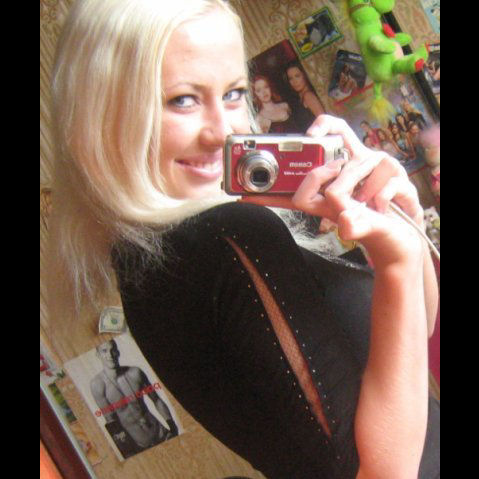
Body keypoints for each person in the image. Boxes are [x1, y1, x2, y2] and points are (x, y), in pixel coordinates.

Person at [46, 1, 439, 477]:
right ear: (104, 112)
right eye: (182, 100)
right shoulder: (224, 239)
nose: (224, 131)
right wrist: (398, 261)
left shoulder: (154, 256)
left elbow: (412, 337)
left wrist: (398, 224)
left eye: (233, 94)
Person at [90, 339, 178, 458]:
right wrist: (128, 451)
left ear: (118, 352)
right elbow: (112, 422)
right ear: (98, 355)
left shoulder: (135, 372)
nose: (110, 355)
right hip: (139, 446)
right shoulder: (98, 385)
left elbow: (156, 400)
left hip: (162, 434)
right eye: (104, 351)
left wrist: (173, 426)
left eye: (112, 350)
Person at [285, 62, 325, 133]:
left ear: (304, 75)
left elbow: (323, 120)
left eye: (297, 76)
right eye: (291, 78)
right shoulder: (301, 98)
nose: (295, 81)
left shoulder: (308, 96)